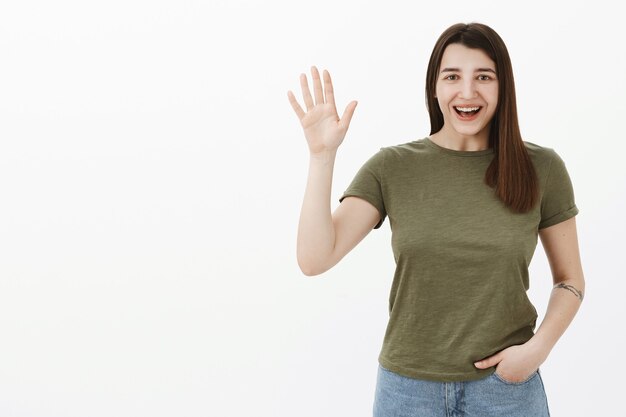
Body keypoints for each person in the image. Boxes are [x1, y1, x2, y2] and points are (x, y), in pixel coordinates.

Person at [288, 22, 585, 417]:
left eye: (483, 77)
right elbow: (314, 258)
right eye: (452, 77)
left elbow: (570, 280)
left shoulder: (541, 168)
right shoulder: (392, 168)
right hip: (407, 392)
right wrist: (321, 157)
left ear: (503, 87)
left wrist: (537, 349)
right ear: (435, 87)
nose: (467, 92)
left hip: (506, 390)